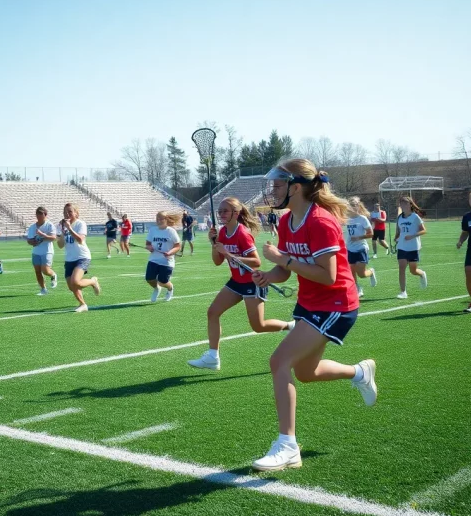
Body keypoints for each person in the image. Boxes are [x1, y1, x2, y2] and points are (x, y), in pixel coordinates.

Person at [248, 159, 375, 472]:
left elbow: (328, 276)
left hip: (336, 305)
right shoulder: (288, 220)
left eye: (277, 184)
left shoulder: (321, 222)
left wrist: (285, 260)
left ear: (296, 187)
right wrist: (269, 274)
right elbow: (286, 269)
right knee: (306, 372)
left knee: (278, 361)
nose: (272, 190)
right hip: (310, 303)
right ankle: (360, 373)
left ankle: (287, 445)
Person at [188, 197, 294, 371]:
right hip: (236, 282)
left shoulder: (242, 233)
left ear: (236, 214)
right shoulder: (222, 232)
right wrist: (213, 244)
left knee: (258, 326)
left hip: (253, 283)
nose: (221, 214)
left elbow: (256, 262)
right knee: (212, 312)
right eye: (219, 211)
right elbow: (217, 261)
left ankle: (290, 326)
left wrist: (229, 255)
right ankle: (213, 356)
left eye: (225, 211)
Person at [57, 203, 100, 313]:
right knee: (71, 286)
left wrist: (69, 228)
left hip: (82, 256)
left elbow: (80, 240)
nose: (67, 214)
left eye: (70, 211)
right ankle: (83, 304)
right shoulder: (60, 225)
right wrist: (62, 233)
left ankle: (92, 281)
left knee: (75, 281)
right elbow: (60, 245)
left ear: (76, 213)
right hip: (69, 258)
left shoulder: (80, 224)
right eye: (65, 212)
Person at [394, 195, 428, 299]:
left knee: (413, 270)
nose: (403, 205)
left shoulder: (415, 217)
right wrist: (396, 238)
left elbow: (424, 230)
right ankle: (403, 292)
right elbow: (398, 231)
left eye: (406, 203)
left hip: (413, 247)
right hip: (402, 247)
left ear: (410, 205)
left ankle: (422, 274)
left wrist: (413, 236)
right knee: (401, 268)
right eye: (402, 203)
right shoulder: (399, 218)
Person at [145, 211, 181, 302]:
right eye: (157, 219)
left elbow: (177, 246)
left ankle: (170, 288)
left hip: (167, 261)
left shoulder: (171, 231)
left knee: (163, 281)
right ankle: (157, 288)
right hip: (154, 259)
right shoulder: (153, 230)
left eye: (161, 219)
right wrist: (149, 247)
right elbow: (148, 244)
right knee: (149, 278)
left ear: (166, 219)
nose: (159, 221)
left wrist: (170, 252)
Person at [346, 197, 378, 297]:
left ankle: (371, 272)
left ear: (358, 206)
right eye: (350, 205)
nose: (352, 207)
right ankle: (357, 289)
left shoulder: (362, 219)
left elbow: (371, 234)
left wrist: (358, 237)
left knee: (361, 274)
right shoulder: (345, 219)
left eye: (354, 205)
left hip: (361, 248)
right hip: (349, 249)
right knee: (351, 272)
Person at [27, 207, 58, 295]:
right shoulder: (33, 227)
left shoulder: (49, 225)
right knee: (37, 271)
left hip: (47, 251)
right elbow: (29, 240)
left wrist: (42, 235)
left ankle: (53, 275)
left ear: (45, 215)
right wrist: (32, 242)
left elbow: (53, 237)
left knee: (45, 270)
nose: (39, 216)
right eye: (38, 214)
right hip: (36, 252)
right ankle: (43, 289)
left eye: (41, 214)